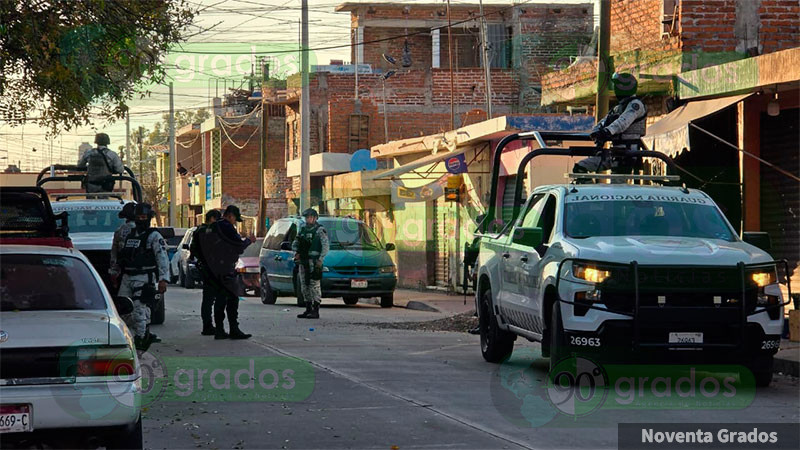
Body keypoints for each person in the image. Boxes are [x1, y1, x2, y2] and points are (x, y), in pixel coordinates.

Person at [118, 203, 170, 350]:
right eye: (138, 217)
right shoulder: (129, 234)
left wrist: (163, 279)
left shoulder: (153, 236)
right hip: (127, 277)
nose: (141, 220)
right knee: (124, 310)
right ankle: (136, 336)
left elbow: (162, 258)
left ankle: (140, 342)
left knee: (139, 312)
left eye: (144, 217)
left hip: (144, 277)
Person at [198, 205, 255, 340]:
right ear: (230, 216)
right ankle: (233, 329)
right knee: (232, 299)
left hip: (212, 269)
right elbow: (239, 247)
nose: (234, 222)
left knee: (219, 300)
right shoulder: (227, 227)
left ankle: (219, 329)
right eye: (235, 219)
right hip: (225, 269)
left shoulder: (212, 228)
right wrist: (249, 241)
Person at [575, 72, 647, 174]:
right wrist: (596, 132)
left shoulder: (635, 105)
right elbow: (604, 121)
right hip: (614, 152)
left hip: (628, 153)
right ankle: (592, 190)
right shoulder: (618, 107)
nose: (615, 90)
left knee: (617, 187)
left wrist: (607, 132)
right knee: (580, 168)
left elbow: (622, 122)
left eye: (617, 87)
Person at [190, 209, 222, 336]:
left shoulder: (198, 230)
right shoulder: (211, 231)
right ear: (213, 218)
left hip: (205, 266)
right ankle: (210, 325)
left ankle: (207, 325)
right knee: (214, 298)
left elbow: (193, 249)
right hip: (213, 267)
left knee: (208, 298)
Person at [293, 208, 329, 319]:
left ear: (314, 218)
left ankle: (315, 308)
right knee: (304, 284)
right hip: (303, 261)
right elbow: (296, 243)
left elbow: (325, 246)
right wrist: (297, 252)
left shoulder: (319, 230)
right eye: (306, 217)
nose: (308, 219)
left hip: (314, 261)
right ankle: (308, 308)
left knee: (314, 285)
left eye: (309, 217)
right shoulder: (303, 229)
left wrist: (320, 260)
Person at [109, 202, 137, 293]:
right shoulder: (146, 231)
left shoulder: (120, 231)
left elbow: (114, 254)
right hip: (143, 272)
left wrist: (114, 272)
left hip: (124, 272)